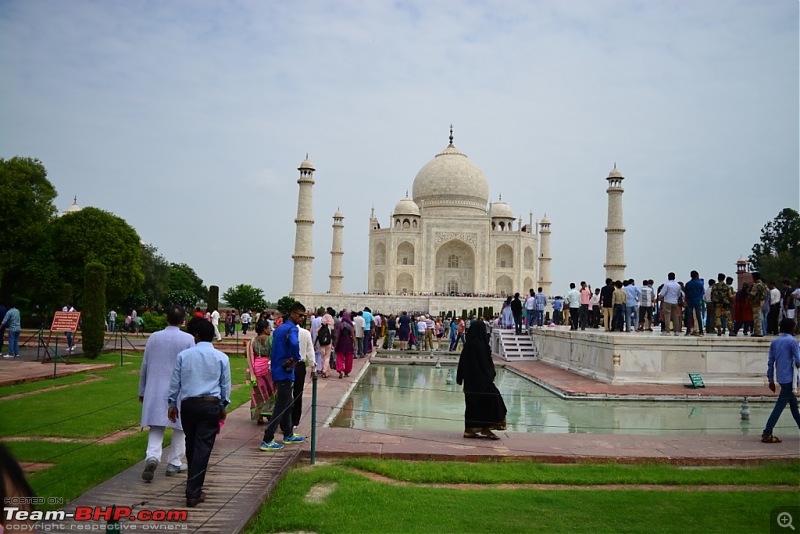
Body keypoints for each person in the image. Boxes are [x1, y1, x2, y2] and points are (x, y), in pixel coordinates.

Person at [167, 317, 231, 507]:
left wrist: (171, 403)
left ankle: (193, 486)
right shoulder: (221, 357)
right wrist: (223, 406)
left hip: (189, 405)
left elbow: (175, 382)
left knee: (192, 443)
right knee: (202, 447)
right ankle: (193, 492)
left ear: (196, 336)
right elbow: (225, 385)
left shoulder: (184, 356)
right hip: (211, 405)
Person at [139, 306, 195, 481]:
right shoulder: (188, 339)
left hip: (155, 386)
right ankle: (175, 462)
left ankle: (153, 456)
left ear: (166, 318)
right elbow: (191, 366)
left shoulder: (154, 337)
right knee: (180, 426)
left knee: (156, 424)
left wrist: (142, 389)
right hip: (179, 387)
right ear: (183, 321)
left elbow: (145, 365)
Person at [259, 304, 307, 451]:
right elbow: (293, 342)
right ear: (292, 314)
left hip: (278, 368)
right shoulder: (291, 329)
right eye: (300, 315)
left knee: (288, 403)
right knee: (281, 405)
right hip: (285, 370)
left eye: (304, 316)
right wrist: (296, 357)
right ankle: (267, 438)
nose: (302, 318)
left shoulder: (279, 329)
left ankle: (288, 433)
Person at [456, 320, 507, 440]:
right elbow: (485, 364)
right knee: (493, 400)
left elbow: (462, 362)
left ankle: (470, 429)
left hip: (471, 383)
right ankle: (485, 428)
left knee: (473, 406)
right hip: (482, 382)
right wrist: (490, 375)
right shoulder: (480, 345)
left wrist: (460, 378)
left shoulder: (469, 344)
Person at [760, 318, 800, 444]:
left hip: (781, 378)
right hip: (790, 378)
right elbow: (798, 361)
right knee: (779, 407)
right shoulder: (792, 342)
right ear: (792, 328)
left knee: (794, 406)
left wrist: (771, 379)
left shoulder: (775, 342)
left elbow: (770, 362)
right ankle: (767, 432)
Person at [246, 321, 275, 424]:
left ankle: (258, 416)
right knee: (270, 391)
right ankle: (268, 413)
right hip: (267, 367)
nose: (270, 330)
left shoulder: (252, 341)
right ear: (264, 329)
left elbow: (249, 355)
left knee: (257, 392)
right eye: (268, 328)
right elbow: (274, 353)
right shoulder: (271, 340)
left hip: (256, 367)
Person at [292, 319, 316, 430]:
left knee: (285, 394)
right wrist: (313, 366)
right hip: (299, 365)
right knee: (297, 393)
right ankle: (295, 421)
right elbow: (310, 350)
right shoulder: (305, 333)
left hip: (286, 364)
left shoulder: (283, 331)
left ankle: (285, 421)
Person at [334, 311, 356, 378]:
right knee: (349, 358)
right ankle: (347, 372)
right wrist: (355, 344)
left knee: (339, 356)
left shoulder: (340, 324)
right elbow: (353, 335)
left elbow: (337, 334)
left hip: (341, 342)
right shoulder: (351, 325)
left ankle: (340, 370)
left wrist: (336, 343)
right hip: (349, 342)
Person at [684, 271, 705, 336]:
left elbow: (686, 292)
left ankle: (688, 331)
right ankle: (701, 331)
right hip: (697, 301)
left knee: (689, 317)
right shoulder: (700, 284)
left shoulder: (688, 284)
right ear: (697, 275)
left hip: (690, 301)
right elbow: (702, 292)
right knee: (698, 316)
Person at [748, 272, 769, 337]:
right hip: (761, 301)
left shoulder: (756, 285)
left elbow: (752, 294)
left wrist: (747, 292)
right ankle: (757, 331)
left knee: (757, 318)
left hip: (756, 302)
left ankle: (758, 332)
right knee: (759, 316)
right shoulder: (763, 284)